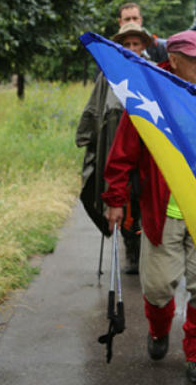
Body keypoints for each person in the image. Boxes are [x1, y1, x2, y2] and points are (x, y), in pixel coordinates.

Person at [102, 29, 196, 383]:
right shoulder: (148, 95)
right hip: (163, 213)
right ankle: (159, 330)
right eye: (193, 57)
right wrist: (114, 200)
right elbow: (122, 154)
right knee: (158, 289)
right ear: (172, 60)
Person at [76, 22, 153, 274]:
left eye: (136, 44)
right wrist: (88, 138)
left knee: (144, 197)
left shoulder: (152, 72)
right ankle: (131, 249)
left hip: (146, 150)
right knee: (123, 197)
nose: (131, 48)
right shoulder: (107, 76)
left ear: (143, 47)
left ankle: (148, 248)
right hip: (114, 149)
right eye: (126, 44)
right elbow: (94, 110)